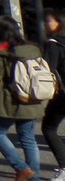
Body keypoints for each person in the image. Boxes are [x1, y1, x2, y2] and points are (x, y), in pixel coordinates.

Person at [0, 15, 46, 181]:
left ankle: (22, 168)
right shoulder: (32, 48)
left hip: (9, 101)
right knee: (28, 139)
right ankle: (35, 177)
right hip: (31, 98)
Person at [41, 10, 65, 181]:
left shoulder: (54, 44)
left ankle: (64, 168)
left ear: (59, 22)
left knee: (48, 128)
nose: (45, 24)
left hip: (62, 93)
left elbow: (47, 69)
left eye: (48, 21)